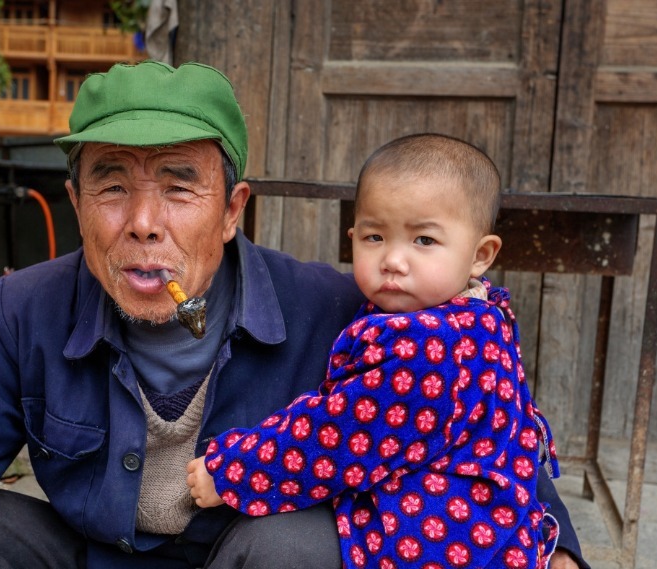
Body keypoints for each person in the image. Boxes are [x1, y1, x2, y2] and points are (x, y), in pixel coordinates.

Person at [0, 61, 586, 569]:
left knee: (295, 543)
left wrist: (556, 552)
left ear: (231, 211)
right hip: (94, 555)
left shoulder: (342, 308)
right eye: (112, 185)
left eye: (180, 187)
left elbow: (485, 423)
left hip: (240, 558)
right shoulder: (29, 308)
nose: (143, 223)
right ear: (77, 205)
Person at [187, 133, 564, 568]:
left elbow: (334, 437)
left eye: (423, 240)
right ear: (352, 236)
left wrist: (233, 471)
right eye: (374, 237)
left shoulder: (423, 348)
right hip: (491, 535)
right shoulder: (484, 317)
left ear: (481, 254)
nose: (393, 260)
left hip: (434, 543)